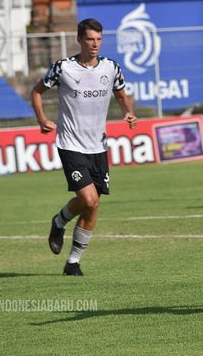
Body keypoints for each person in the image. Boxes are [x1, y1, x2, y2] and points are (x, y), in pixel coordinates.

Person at [31, 18, 138, 276]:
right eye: (90, 39)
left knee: (93, 205)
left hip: (98, 146)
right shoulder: (63, 68)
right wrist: (43, 120)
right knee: (88, 198)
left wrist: (128, 112)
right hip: (70, 143)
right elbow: (36, 92)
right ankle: (59, 223)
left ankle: (73, 261)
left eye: (99, 39)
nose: (95, 44)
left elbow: (121, 94)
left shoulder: (111, 67)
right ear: (79, 39)